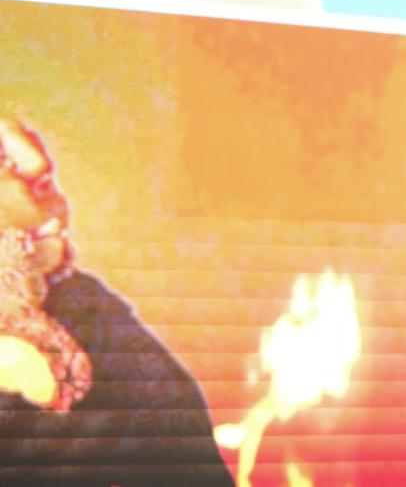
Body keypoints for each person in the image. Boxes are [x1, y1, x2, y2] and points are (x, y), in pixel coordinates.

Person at [0, 117, 235, 486]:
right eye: (32, 186)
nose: (57, 211)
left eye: (45, 184)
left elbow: (180, 440)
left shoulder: (84, 305)